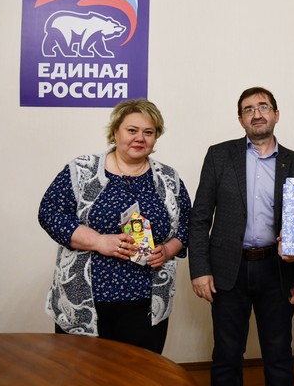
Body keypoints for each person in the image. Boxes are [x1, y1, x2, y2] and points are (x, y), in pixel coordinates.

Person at [188, 87, 294, 386]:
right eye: (248, 109)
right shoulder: (219, 156)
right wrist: (199, 270)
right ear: (241, 119)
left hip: (277, 270)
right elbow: (200, 217)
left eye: (263, 107)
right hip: (228, 271)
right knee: (227, 354)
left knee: (278, 355)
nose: (257, 114)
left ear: (276, 114)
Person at [39, 98, 190, 354]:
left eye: (148, 132)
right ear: (115, 132)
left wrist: (168, 250)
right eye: (132, 130)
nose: (139, 138)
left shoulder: (168, 178)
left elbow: (188, 223)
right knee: (81, 373)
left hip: (146, 303)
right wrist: (98, 241)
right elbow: (50, 213)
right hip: (86, 300)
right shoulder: (82, 170)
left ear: (155, 138)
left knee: (140, 373)